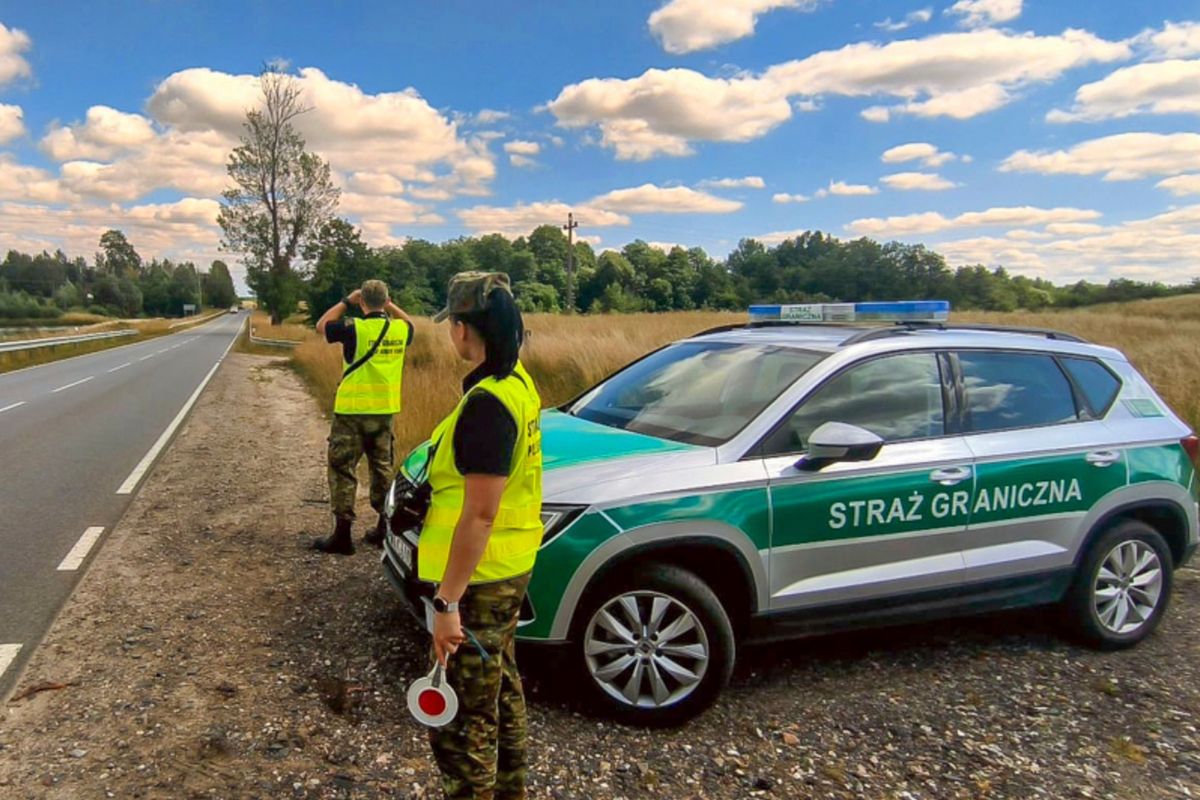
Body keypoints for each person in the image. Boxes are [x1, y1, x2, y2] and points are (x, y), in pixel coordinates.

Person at [418, 271, 543, 800]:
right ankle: (511, 789)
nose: (451, 335)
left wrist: (447, 602)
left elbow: (480, 515)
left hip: (478, 581)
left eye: (454, 324)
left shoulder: (488, 405)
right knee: (501, 690)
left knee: (464, 721)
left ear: (467, 329)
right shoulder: (517, 383)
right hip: (509, 569)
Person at [312, 279, 413, 555]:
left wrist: (347, 301)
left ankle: (342, 535)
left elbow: (322, 325)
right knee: (382, 468)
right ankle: (382, 529)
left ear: (362, 302)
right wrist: (389, 304)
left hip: (351, 411)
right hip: (384, 412)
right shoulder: (400, 329)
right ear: (387, 301)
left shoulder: (354, 328)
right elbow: (411, 323)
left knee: (343, 468)